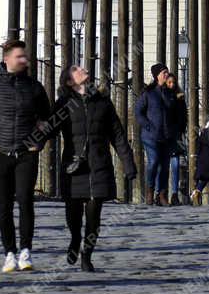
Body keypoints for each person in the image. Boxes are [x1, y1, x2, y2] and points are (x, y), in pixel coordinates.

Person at [41, 63, 137, 272]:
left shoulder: (103, 102)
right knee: (73, 214)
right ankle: (75, 239)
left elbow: (118, 135)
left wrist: (128, 163)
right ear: (69, 81)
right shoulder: (63, 104)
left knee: (94, 215)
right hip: (74, 167)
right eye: (76, 69)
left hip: (99, 165)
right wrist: (31, 143)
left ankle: (87, 254)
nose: (82, 69)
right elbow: (49, 130)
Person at [0, 40, 53, 273]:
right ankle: (9, 253)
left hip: (26, 154)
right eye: (19, 56)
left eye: (25, 56)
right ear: (6, 59)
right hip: (0, 154)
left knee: (26, 201)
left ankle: (26, 251)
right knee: (4, 205)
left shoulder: (34, 87)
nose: (24, 60)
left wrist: (39, 141)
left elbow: (48, 119)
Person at [135, 63, 174, 206]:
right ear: (157, 75)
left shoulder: (170, 93)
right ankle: (150, 190)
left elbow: (175, 113)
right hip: (150, 135)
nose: (166, 75)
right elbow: (138, 111)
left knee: (165, 165)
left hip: (167, 136)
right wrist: (147, 125)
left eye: (167, 72)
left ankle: (162, 193)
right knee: (154, 161)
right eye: (164, 72)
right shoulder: (148, 93)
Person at [164, 72, 188, 206]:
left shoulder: (180, 98)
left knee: (175, 163)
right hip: (165, 133)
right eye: (169, 82)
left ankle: (174, 193)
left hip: (176, 134)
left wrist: (181, 128)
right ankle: (161, 192)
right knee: (162, 164)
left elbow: (184, 115)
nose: (172, 85)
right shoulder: (163, 96)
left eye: (173, 82)